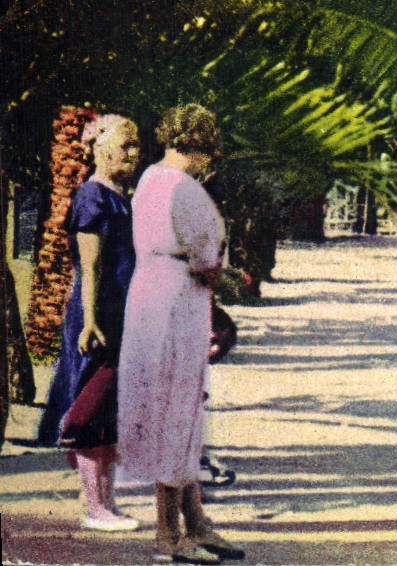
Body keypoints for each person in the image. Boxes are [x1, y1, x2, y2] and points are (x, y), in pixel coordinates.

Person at [118, 104, 242, 564]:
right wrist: (228, 274)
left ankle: (197, 522)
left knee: (169, 404)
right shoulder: (186, 188)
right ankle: (168, 532)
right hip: (180, 297)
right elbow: (206, 257)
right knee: (179, 406)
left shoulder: (149, 179)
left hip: (148, 291)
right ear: (200, 145)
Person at [37, 114, 141, 532]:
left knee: (109, 410)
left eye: (136, 145)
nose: (133, 153)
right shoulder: (92, 197)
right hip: (97, 318)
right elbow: (91, 264)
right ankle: (95, 507)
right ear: (99, 149)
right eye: (125, 144)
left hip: (119, 316)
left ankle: (106, 503)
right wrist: (91, 321)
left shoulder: (121, 197)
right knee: (91, 408)